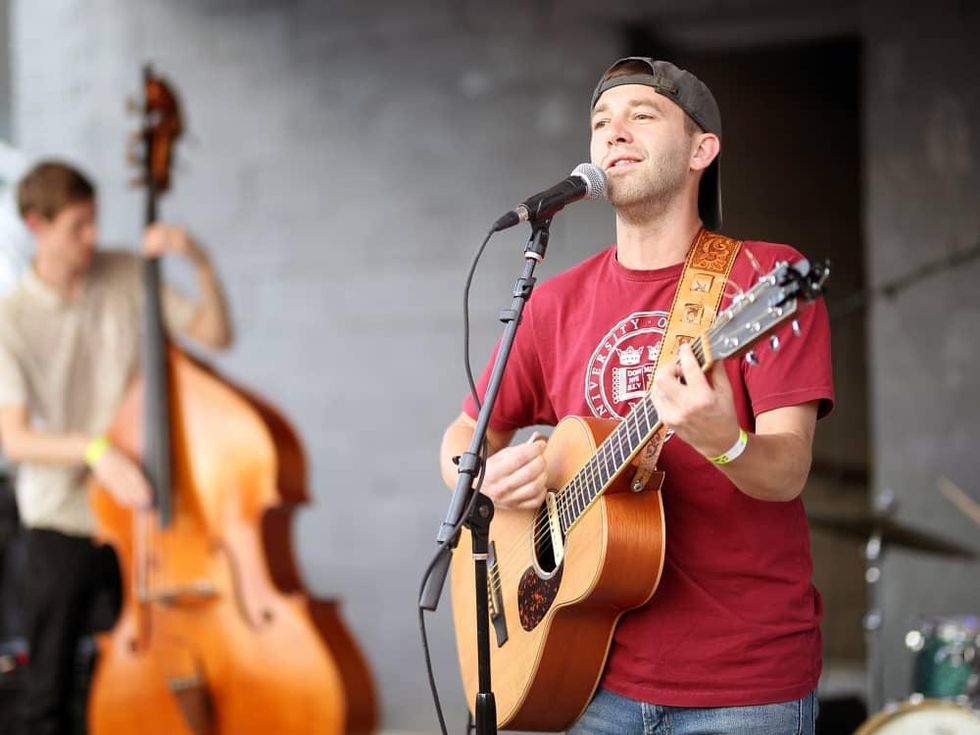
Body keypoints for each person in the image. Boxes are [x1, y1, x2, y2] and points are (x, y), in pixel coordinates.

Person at [439, 58, 833, 735]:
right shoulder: (554, 301)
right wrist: (487, 487)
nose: (613, 132)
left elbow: (787, 470)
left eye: (642, 115)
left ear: (701, 150)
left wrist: (723, 437)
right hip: (585, 675)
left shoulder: (761, 279)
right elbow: (460, 441)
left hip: (742, 686)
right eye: (600, 122)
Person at [0, 160, 232, 734]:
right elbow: (15, 438)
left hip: (145, 515)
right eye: (77, 225)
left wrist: (197, 260)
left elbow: (214, 335)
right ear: (36, 223)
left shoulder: (128, 273)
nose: (92, 238)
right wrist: (98, 452)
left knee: (146, 682)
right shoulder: (10, 320)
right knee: (49, 689)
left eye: (94, 221)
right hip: (64, 519)